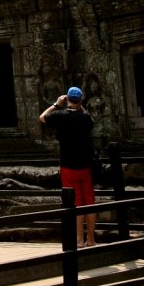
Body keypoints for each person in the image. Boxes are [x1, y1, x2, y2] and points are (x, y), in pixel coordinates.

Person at [39, 86, 96, 247]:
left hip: (68, 165)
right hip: (85, 165)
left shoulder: (60, 115)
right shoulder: (85, 118)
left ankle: (79, 239)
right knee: (89, 202)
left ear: (67, 99)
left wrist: (56, 104)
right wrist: (80, 106)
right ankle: (91, 239)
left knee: (75, 203)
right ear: (80, 100)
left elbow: (42, 117)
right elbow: (89, 119)